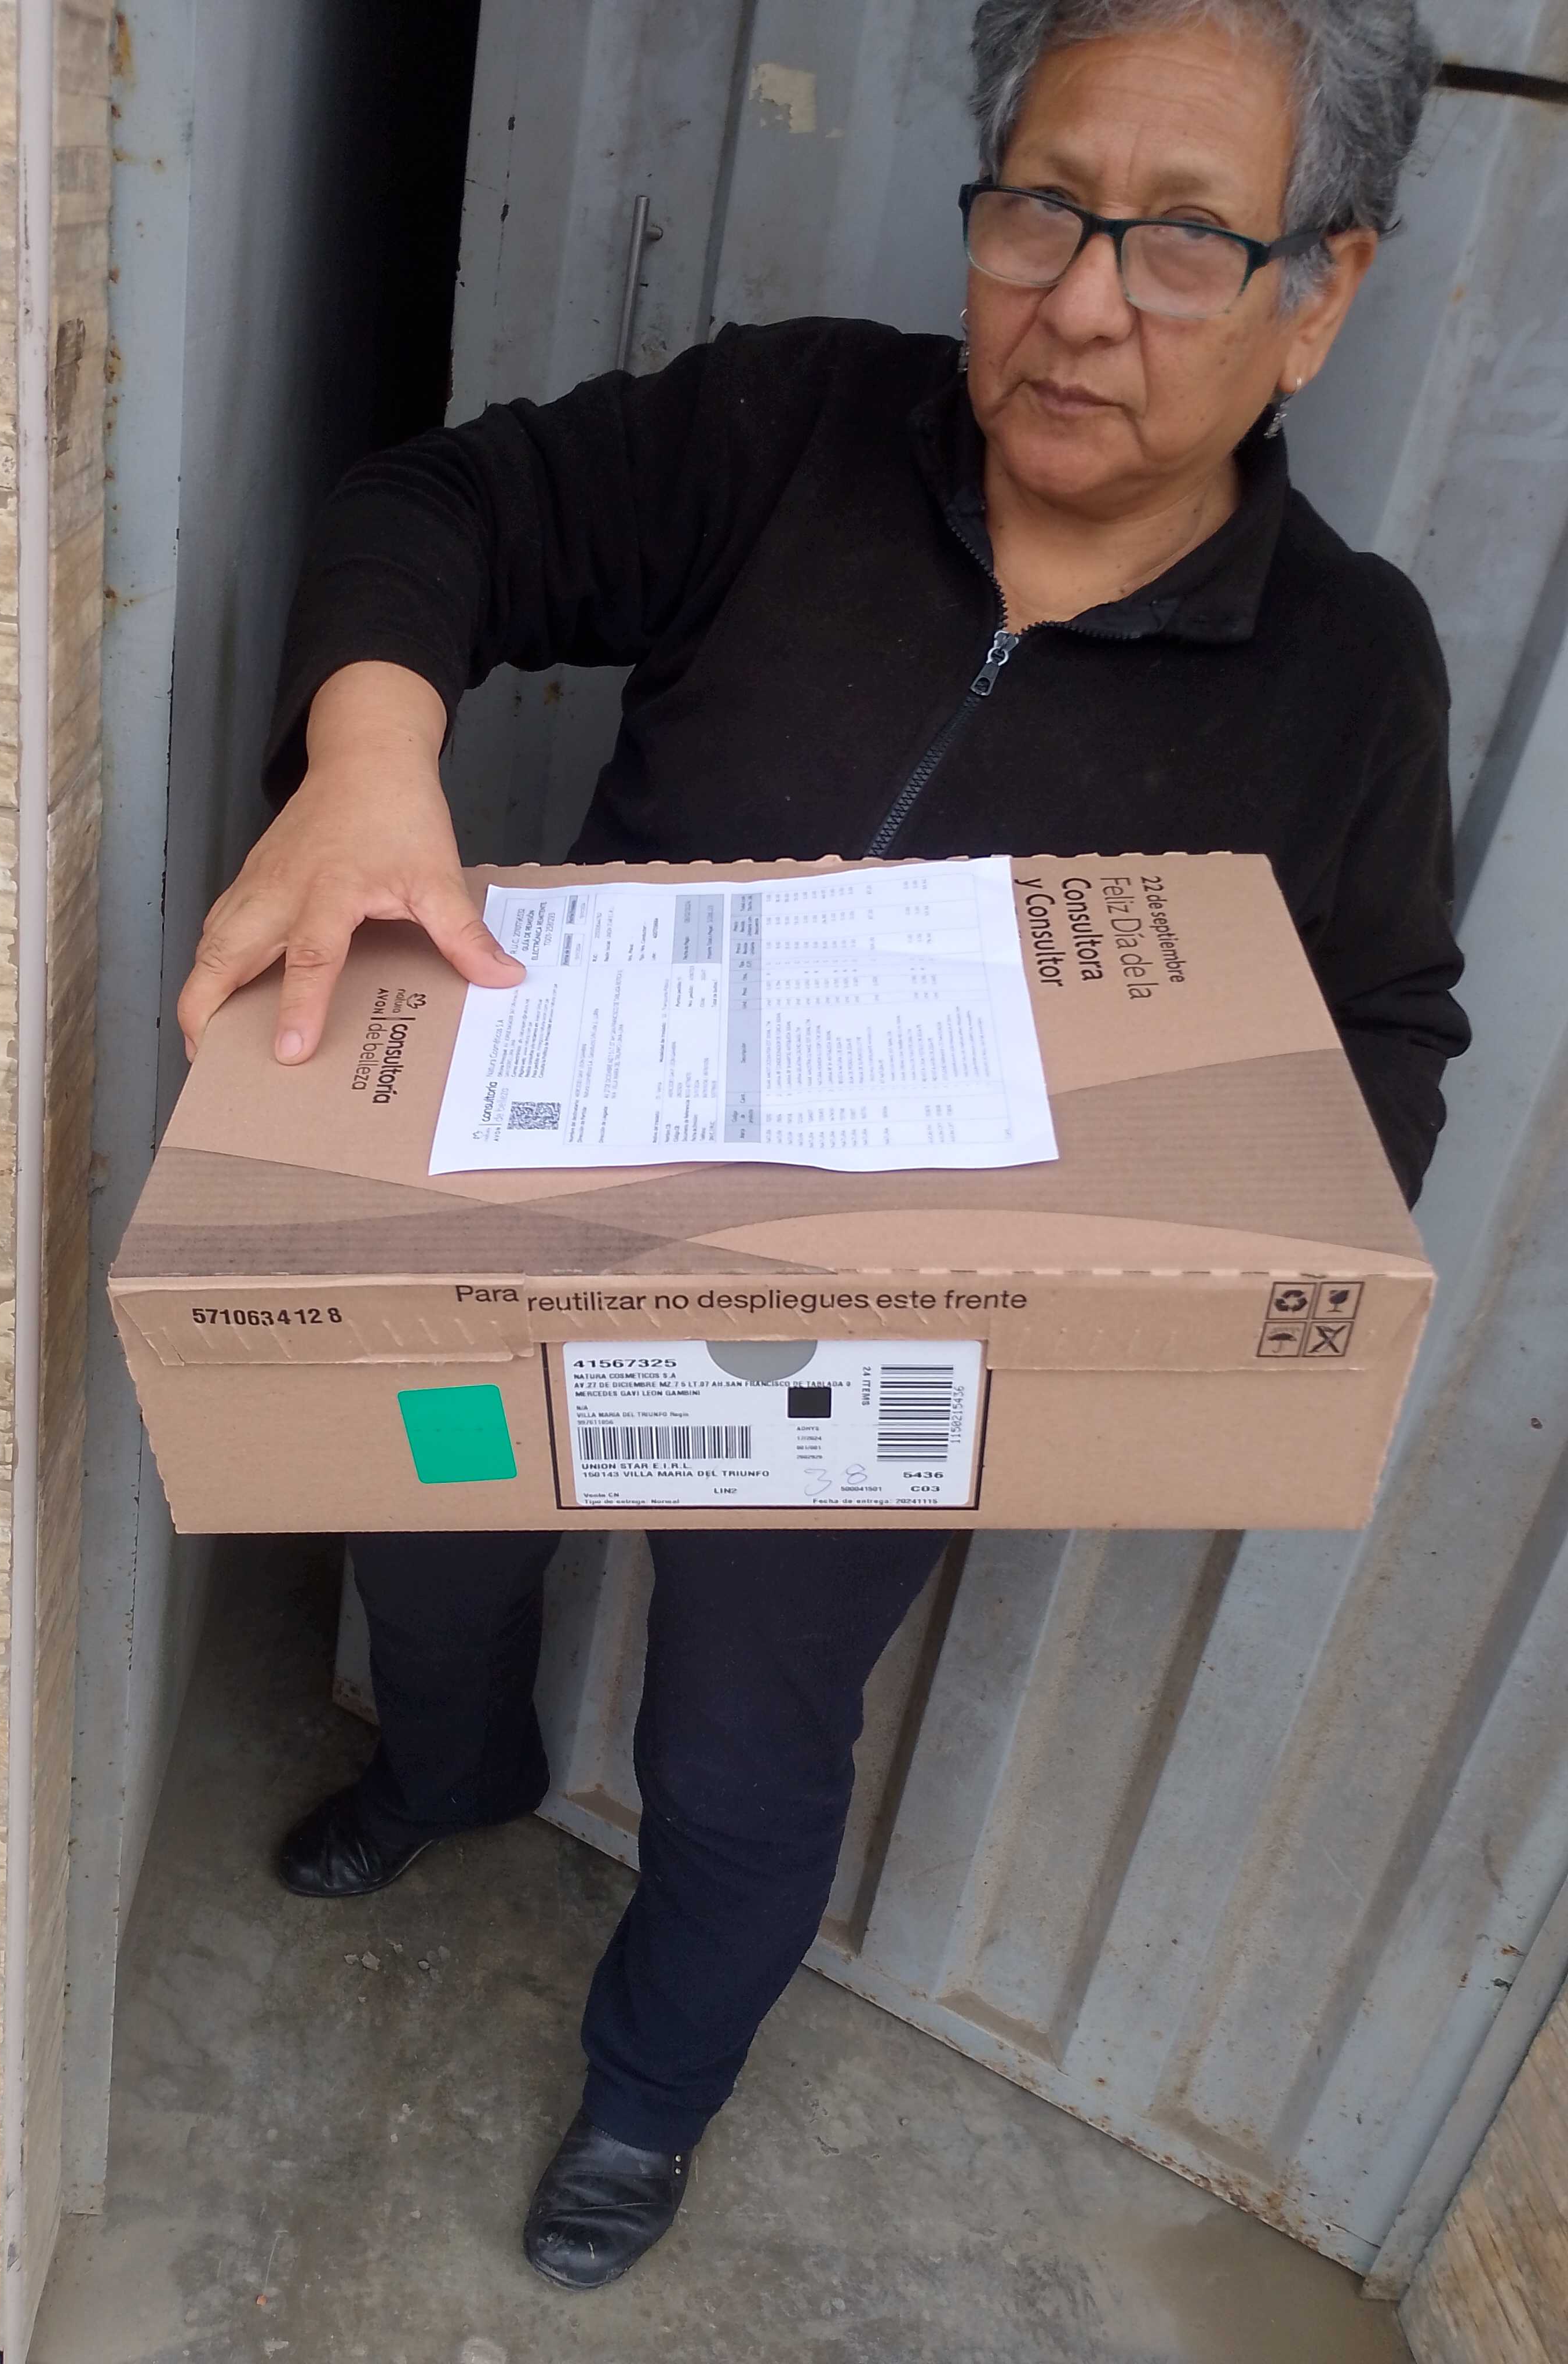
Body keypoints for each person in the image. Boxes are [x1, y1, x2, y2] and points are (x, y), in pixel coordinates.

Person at [178, 0, 1468, 2292]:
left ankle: (652, 2095)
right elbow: (438, 507)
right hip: (559, 1216)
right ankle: (452, 1771)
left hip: (884, 1351)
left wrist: (1177, 1290)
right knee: (437, 1531)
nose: (1084, 302)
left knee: (743, 1735)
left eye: (1186, 241)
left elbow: (1376, 1040)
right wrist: (370, 760)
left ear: (1320, 295)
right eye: (1043, 208)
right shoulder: (792, 430)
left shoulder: (1346, 666)